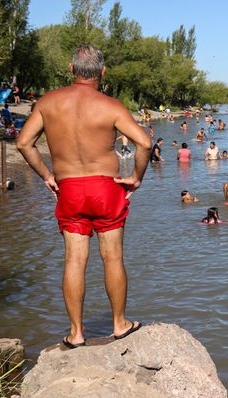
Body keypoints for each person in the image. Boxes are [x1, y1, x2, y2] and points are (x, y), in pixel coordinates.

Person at [16, 45, 150, 348]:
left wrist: (48, 176)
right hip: (106, 188)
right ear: (102, 72)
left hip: (70, 189)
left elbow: (24, 143)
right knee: (112, 257)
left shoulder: (48, 103)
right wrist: (136, 177)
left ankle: (76, 334)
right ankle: (120, 324)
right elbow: (143, 142)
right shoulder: (111, 105)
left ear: (70, 68)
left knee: (74, 259)